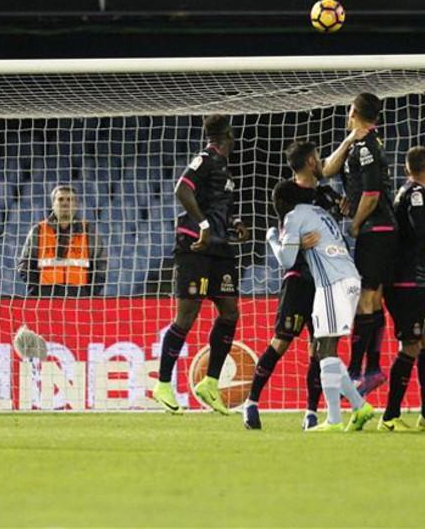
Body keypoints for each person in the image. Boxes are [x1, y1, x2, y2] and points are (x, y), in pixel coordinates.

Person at [240, 141, 344, 430]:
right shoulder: (284, 192)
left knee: (319, 346)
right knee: (281, 341)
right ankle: (251, 403)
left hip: (324, 279)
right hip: (299, 275)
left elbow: (334, 223)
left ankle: (311, 412)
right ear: (311, 161)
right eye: (319, 157)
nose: (322, 161)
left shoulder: (326, 194)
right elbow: (292, 229)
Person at [152, 115, 248, 415]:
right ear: (227, 135)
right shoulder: (204, 159)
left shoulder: (223, 168)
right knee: (188, 313)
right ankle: (164, 384)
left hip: (220, 248)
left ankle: (210, 382)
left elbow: (219, 204)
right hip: (195, 245)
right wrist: (204, 224)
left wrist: (235, 222)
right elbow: (182, 189)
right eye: (233, 135)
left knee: (230, 310)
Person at [268, 180, 376, 432]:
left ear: (283, 204)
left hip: (332, 282)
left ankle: (335, 420)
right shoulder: (319, 212)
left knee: (325, 349)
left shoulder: (294, 216)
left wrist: (273, 238)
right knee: (322, 348)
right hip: (346, 277)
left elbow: (286, 259)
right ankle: (359, 406)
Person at [321, 93, 396, 395]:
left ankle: (355, 371)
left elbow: (372, 195)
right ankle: (373, 370)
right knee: (373, 299)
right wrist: (350, 137)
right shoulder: (361, 143)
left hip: (375, 230)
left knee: (364, 302)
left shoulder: (366, 148)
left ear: (353, 111)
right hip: (381, 230)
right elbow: (327, 169)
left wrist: (354, 223)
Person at [377, 147, 425, 432]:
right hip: (405, 282)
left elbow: (418, 231)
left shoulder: (412, 193)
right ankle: (389, 417)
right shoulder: (416, 193)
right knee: (411, 344)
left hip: (418, 282)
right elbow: (422, 229)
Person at [16, 185, 101, 298]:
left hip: (80, 295)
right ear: (53, 204)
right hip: (46, 295)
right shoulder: (39, 230)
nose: (65, 203)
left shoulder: (89, 230)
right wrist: (36, 291)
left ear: (76, 205)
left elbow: (101, 264)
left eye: (69, 199)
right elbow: (25, 264)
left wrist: (90, 292)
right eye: (60, 199)